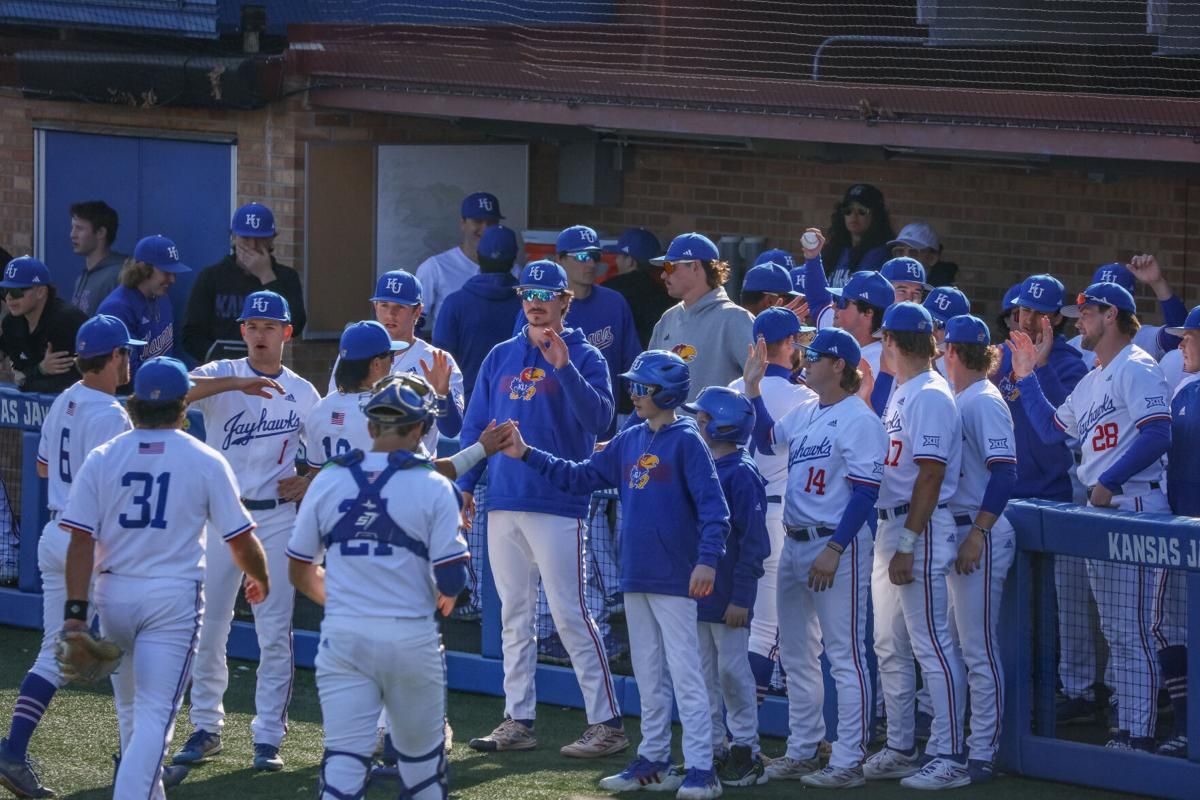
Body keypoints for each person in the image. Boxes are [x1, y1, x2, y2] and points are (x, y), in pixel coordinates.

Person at [503, 350, 729, 800]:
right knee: (648, 673)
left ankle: (704, 768)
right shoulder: (630, 437)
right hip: (637, 575)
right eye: (633, 385)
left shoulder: (688, 440)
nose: (633, 393)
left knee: (686, 674)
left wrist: (707, 560)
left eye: (641, 387)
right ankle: (654, 760)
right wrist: (525, 453)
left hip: (676, 578)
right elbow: (579, 476)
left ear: (667, 392)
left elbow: (715, 511)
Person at [57, 356, 271, 800]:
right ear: (182, 406)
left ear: (133, 404)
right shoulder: (204, 458)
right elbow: (242, 539)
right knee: (156, 714)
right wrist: (259, 577)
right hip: (171, 600)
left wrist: (76, 614)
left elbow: (80, 542)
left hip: (113, 593)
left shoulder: (104, 456)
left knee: (131, 708)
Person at [456, 259, 625, 758]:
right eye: (528, 291)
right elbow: (475, 427)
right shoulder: (499, 356)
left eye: (546, 293)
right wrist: (466, 482)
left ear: (564, 302)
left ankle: (608, 723)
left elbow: (600, 421)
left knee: (572, 614)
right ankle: (518, 719)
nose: (535, 300)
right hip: (502, 499)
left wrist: (563, 365)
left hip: (557, 499)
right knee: (513, 615)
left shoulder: (585, 356)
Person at [287, 375, 470, 800]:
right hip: (411, 637)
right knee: (422, 773)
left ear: (370, 427)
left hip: (344, 636)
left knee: (343, 768)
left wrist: (347, 603)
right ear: (421, 430)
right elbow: (452, 580)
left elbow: (298, 570)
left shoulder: (329, 479)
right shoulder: (433, 485)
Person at [1009, 281, 1172, 751]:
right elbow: (1049, 428)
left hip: (1138, 507)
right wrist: (1025, 376)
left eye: (1087, 314)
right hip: (1106, 510)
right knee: (1116, 629)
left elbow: (1157, 434)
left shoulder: (1137, 366)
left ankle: (1137, 734)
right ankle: (1128, 727)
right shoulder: (1092, 377)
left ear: (1112, 316)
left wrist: (1111, 480)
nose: (1078, 321)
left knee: (1134, 628)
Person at [174, 291, 320, 772]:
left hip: (277, 518)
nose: (260, 334)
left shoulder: (303, 391)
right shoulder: (220, 374)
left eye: (269, 326)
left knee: (274, 630)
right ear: (242, 331)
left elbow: (328, 453)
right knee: (208, 627)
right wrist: (239, 381)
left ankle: (267, 738)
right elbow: (175, 392)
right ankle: (206, 728)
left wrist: (309, 478)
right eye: (252, 326)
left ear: (286, 333)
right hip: (222, 517)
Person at [0, 315, 140, 798]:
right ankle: (136, 759)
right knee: (128, 648)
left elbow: (41, 468)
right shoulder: (111, 414)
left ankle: (12, 750)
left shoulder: (65, 398)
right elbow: (115, 488)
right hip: (90, 543)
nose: (130, 360)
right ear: (114, 357)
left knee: (53, 653)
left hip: (55, 534)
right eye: (126, 352)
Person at [743, 328, 881, 788]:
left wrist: (836, 548)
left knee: (845, 655)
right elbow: (765, 440)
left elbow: (865, 493)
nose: (806, 360)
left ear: (838, 365)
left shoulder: (860, 419)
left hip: (834, 545)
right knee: (799, 654)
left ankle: (849, 758)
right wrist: (753, 389)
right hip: (796, 542)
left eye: (815, 355)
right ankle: (803, 749)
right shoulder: (807, 407)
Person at [866, 301, 968, 790]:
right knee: (889, 644)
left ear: (890, 341)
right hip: (892, 527)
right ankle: (902, 746)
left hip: (918, 528)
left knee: (932, 646)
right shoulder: (904, 390)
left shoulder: (929, 392)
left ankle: (950, 754)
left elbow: (931, 473)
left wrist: (908, 540)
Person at [991, 275, 1095, 723]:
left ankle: (1080, 691)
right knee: (1016, 606)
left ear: (1054, 319)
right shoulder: (1002, 358)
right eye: (1020, 311)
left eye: (1035, 313)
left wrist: (1043, 365)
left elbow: (1061, 429)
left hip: (1058, 496)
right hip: (1009, 497)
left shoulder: (1072, 365)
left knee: (1066, 604)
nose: (1026, 320)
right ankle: (1025, 686)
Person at [940, 315, 1018, 784]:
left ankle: (982, 751)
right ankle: (954, 741)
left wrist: (978, 535)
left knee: (977, 648)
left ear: (953, 352)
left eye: (944, 348)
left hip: (979, 532)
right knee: (955, 645)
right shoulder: (962, 396)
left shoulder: (985, 400)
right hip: (958, 528)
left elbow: (1005, 473)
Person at [680, 386, 770, 787]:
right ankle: (713, 747)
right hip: (698, 596)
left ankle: (745, 750)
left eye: (703, 418)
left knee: (733, 673)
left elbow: (754, 545)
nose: (697, 423)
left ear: (723, 424)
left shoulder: (742, 472)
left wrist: (742, 599)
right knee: (703, 675)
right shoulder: (704, 465)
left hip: (728, 597)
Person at [728, 308, 816, 702]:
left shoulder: (732, 387)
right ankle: (741, 735)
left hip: (729, 516)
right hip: (775, 517)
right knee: (766, 629)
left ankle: (727, 732)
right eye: (797, 340)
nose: (801, 348)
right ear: (785, 344)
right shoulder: (806, 397)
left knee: (728, 625)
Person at [327, 270, 464, 458]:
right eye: (384, 305)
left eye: (399, 307)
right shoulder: (354, 352)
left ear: (417, 311)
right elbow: (333, 414)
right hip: (358, 468)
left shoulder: (438, 360)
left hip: (413, 471)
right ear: (375, 307)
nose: (390, 314)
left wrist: (442, 395)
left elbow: (451, 430)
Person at [537, 225, 641, 438]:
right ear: (560, 259)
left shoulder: (614, 302)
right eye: (582, 256)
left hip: (600, 430)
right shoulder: (541, 306)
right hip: (551, 429)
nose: (591, 263)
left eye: (595, 255)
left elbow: (633, 367)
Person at [183, 202, 307, 364]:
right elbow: (190, 335)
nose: (253, 245)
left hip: (266, 369)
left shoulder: (286, 277)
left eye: (260, 239)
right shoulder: (211, 277)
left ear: (271, 241)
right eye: (246, 238)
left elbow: (296, 325)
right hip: (222, 372)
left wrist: (266, 276)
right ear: (234, 238)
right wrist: (218, 360)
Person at [1157, 305, 1200, 757]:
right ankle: (1188, 726)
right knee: (1167, 626)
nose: (1181, 343)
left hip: (1194, 532)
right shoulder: (1184, 387)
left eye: (1189, 336)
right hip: (1179, 532)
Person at [648, 233, 754, 401]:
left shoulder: (735, 319)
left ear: (695, 266)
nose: (663, 275)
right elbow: (649, 381)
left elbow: (759, 384)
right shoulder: (668, 318)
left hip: (714, 427)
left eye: (669, 267)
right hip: (669, 427)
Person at [434, 224, 522, 405]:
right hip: (515, 406)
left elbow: (440, 364)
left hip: (466, 407)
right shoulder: (529, 306)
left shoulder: (454, 303)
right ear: (514, 259)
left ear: (478, 257)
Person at [306, 321, 408, 467]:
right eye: (391, 356)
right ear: (376, 364)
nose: (392, 362)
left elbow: (316, 472)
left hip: (332, 489)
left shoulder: (318, 410)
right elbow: (416, 473)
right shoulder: (387, 413)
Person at [96, 235, 191, 381]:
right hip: (129, 399)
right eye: (166, 272)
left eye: (173, 273)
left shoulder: (162, 297)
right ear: (143, 268)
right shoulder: (117, 309)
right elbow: (126, 376)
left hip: (161, 393)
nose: (172, 279)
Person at [415, 191, 503, 336]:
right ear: (463, 223)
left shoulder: (513, 270)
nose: (485, 229)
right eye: (478, 221)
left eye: (491, 222)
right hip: (449, 355)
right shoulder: (434, 267)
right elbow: (413, 322)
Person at [1069, 258, 1187, 366]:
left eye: (1114, 293)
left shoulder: (1143, 336)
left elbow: (1180, 334)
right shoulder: (1076, 345)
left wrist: (1158, 283)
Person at [0, 256, 87, 393]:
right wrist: (41, 369)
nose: (9, 297)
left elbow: (67, 385)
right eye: (5, 291)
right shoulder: (11, 323)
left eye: (16, 291)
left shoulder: (65, 321)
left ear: (40, 291)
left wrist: (30, 377)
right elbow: (20, 376)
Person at [603, 228, 670, 348]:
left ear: (630, 261)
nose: (616, 260)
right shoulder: (666, 292)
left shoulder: (609, 290)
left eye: (619, 256)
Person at [821, 184, 895, 288]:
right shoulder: (834, 251)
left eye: (862, 211)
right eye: (848, 210)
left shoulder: (881, 254)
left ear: (876, 215)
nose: (853, 216)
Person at [69, 200, 126, 317]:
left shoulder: (120, 276)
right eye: (73, 227)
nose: (72, 234)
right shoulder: (81, 278)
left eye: (79, 228)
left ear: (100, 232)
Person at [888, 221, 958, 287]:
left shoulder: (946, 295)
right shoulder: (885, 285)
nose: (905, 257)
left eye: (913, 252)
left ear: (932, 259)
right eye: (899, 251)